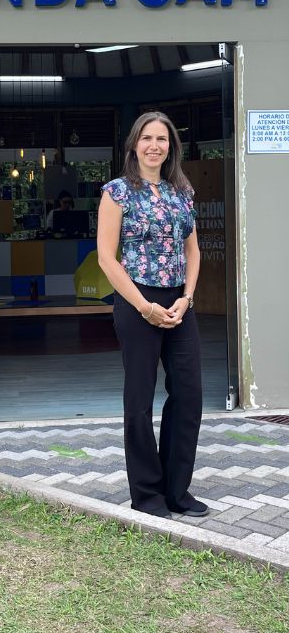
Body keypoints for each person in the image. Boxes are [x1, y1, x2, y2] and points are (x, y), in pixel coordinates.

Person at [96, 111, 207, 520]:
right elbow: (107, 258)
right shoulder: (117, 192)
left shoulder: (182, 191)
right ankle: (147, 494)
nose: (154, 145)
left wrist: (188, 297)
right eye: (147, 138)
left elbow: (192, 250)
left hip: (179, 304)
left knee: (189, 395)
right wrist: (144, 306)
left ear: (170, 147)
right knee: (139, 400)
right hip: (135, 301)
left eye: (162, 139)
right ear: (134, 145)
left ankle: (177, 490)